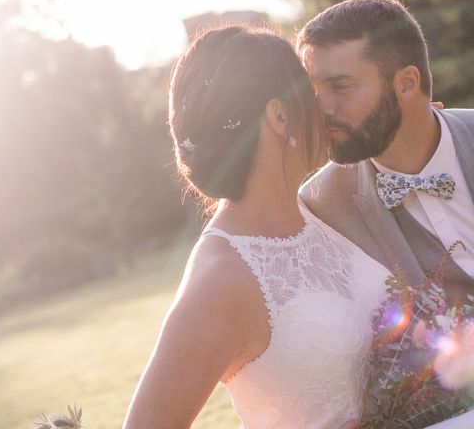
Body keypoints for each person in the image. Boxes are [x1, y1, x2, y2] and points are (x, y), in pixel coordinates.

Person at [122, 25, 389, 429]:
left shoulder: (321, 209)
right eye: (310, 93)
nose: (323, 108)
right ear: (280, 116)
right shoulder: (221, 278)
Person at [298, 0, 474, 305]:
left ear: (406, 84)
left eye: (340, 87)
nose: (322, 108)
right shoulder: (320, 206)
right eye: (313, 92)